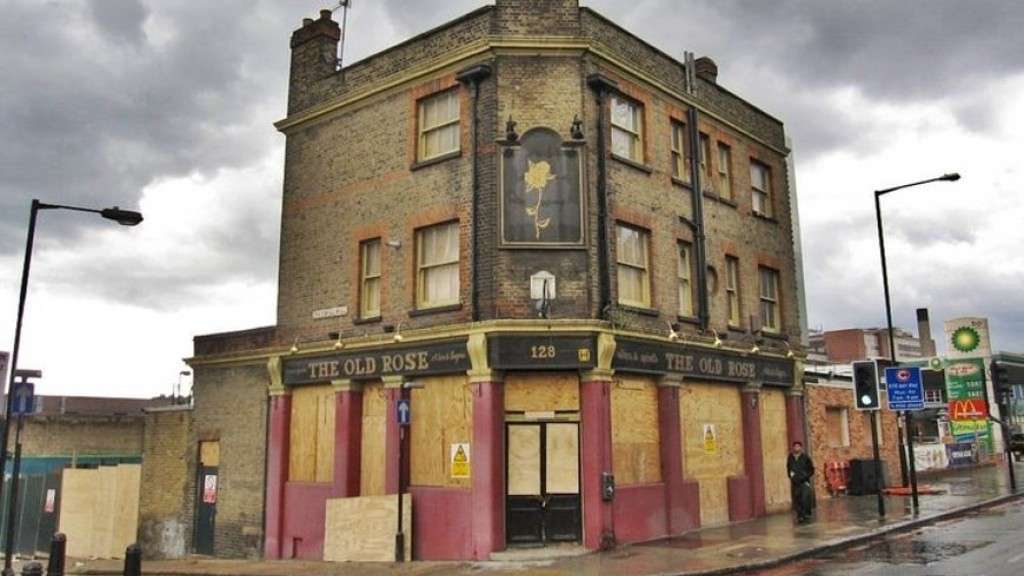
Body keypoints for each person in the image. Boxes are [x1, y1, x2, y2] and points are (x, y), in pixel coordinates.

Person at [787, 441, 814, 523]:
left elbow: (811, 469)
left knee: (804, 497)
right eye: (795, 447)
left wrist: (805, 476)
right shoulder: (790, 457)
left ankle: (806, 512)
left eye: (798, 446)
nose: (796, 448)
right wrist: (790, 475)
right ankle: (800, 515)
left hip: (804, 481)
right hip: (795, 482)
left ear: (801, 448)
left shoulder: (805, 457)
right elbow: (788, 467)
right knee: (797, 498)